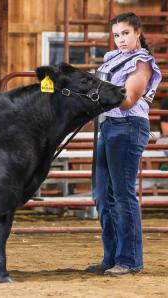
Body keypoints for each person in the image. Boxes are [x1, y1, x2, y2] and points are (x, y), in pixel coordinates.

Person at [86, 12, 162, 276]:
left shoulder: (143, 62)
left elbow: (129, 98)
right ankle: (111, 257)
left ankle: (129, 260)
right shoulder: (112, 58)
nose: (120, 39)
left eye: (126, 33)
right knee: (102, 197)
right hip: (107, 127)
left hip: (128, 126)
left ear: (137, 32)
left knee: (122, 195)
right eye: (116, 34)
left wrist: (94, 95)